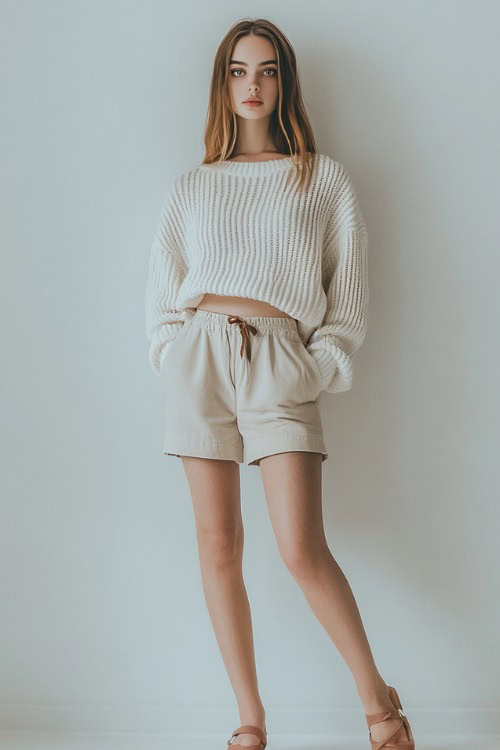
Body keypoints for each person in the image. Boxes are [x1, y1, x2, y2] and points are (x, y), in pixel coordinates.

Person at [145, 17, 415, 750]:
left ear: (285, 83)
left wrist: (316, 363)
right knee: (218, 544)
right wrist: (178, 356)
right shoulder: (192, 187)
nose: (253, 85)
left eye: (266, 71)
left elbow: (347, 293)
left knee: (299, 547)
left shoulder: (321, 176)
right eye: (238, 71)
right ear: (222, 84)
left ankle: (377, 699)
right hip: (201, 357)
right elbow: (162, 298)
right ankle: (250, 718)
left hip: (280, 357)